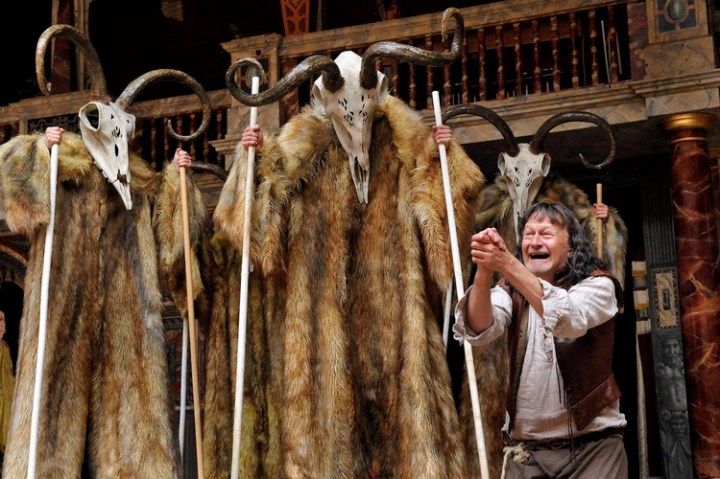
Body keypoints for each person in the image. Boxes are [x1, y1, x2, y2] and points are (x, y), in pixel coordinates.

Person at [0, 125, 206, 477]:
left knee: (129, 426)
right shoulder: (63, 168)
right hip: (63, 313)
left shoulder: (137, 186)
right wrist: (40, 151)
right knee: (52, 421)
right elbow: (16, 198)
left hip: (124, 323)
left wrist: (178, 182)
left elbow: (175, 244)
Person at [453, 200, 627, 478]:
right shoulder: (510, 290)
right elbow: (478, 328)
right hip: (527, 454)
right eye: (528, 234)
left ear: (571, 248)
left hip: (594, 450)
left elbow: (569, 318)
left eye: (546, 234)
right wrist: (485, 271)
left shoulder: (599, 285)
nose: (535, 242)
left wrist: (506, 262)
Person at [0, 310, 14, 455]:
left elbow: (9, 375)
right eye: (1, 327)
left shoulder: (5, 347)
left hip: (6, 400)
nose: (4, 330)